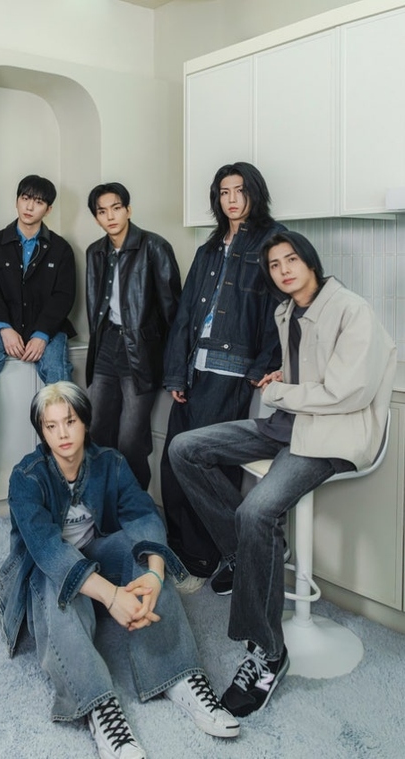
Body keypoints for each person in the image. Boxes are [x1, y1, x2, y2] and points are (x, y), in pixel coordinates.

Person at [169, 230, 396, 717]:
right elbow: (309, 374)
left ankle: (268, 654)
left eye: (291, 259)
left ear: (309, 261)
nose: (283, 270)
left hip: (330, 435)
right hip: (289, 425)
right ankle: (247, 553)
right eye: (274, 265)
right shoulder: (287, 311)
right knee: (185, 448)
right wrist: (282, 381)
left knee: (256, 513)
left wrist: (278, 393)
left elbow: (346, 393)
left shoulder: (351, 310)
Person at [0, 381, 240, 759]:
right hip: (45, 569)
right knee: (54, 577)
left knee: (140, 552)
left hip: (95, 555)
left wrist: (154, 575)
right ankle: (99, 704)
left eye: (70, 421)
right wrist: (112, 597)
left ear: (84, 422)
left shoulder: (110, 462)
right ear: (42, 431)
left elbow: (143, 515)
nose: (62, 434)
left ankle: (180, 675)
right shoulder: (27, 477)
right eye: (51, 426)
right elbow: (47, 549)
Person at [161, 162, 286, 593]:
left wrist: (261, 366)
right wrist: (176, 371)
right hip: (194, 366)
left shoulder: (272, 242)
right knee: (173, 463)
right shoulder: (210, 248)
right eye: (224, 192)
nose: (232, 200)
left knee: (203, 464)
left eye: (240, 190)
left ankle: (207, 556)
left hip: (231, 370)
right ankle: (184, 548)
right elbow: (185, 314)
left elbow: (281, 309)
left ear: (255, 193)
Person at [0, 175, 76, 502]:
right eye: (25, 198)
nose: (29, 206)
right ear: (17, 200)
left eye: (38, 201)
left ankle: (64, 462)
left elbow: (63, 296)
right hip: (1, 326)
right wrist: (3, 328)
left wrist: (42, 334)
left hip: (46, 328)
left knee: (60, 380)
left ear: (48, 208)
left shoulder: (61, 249)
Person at [85, 182, 181, 490]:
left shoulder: (155, 247)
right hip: (106, 344)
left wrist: (175, 366)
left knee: (130, 439)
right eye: (102, 212)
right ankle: (104, 500)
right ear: (96, 218)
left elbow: (172, 311)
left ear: (128, 209)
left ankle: (136, 503)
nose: (110, 216)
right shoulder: (95, 252)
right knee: (96, 430)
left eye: (116, 208)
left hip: (141, 349)